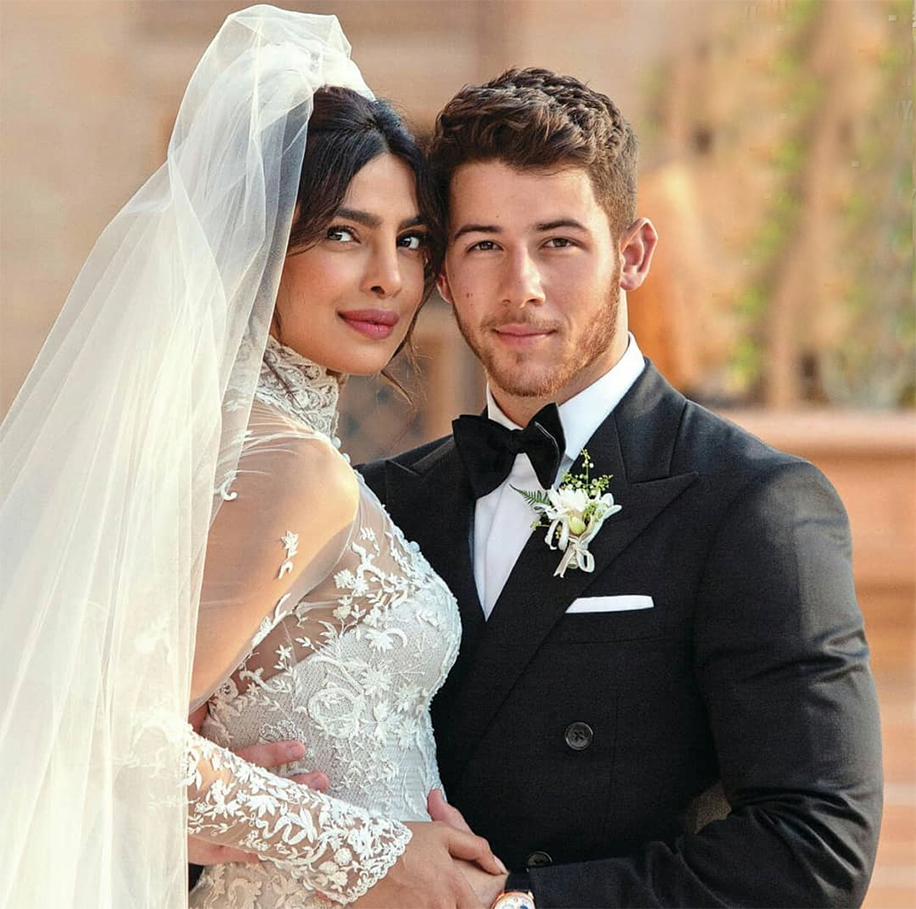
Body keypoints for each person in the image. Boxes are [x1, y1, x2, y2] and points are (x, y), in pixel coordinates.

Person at [0, 8, 503, 908]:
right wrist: (375, 853)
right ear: (264, 242)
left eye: (410, 238)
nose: (389, 276)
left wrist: (208, 817)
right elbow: (115, 730)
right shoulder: (292, 468)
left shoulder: (264, 447)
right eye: (344, 233)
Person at [357, 68, 884, 907]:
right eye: (484, 244)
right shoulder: (374, 505)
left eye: (559, 242)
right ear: (444, 274)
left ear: (632, 255)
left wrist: (513, 906)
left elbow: (814, 846)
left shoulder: (755, 504)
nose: (522, 286)